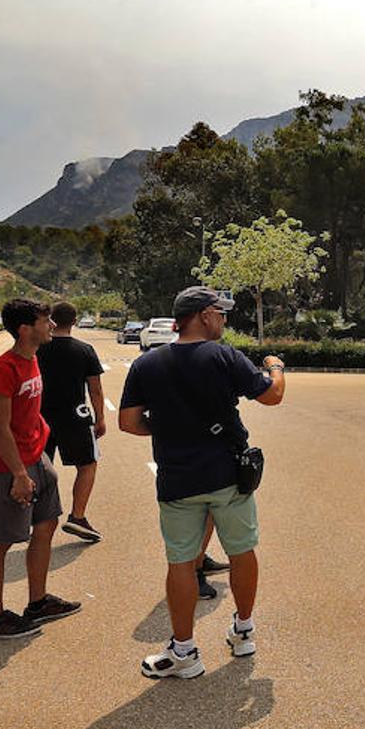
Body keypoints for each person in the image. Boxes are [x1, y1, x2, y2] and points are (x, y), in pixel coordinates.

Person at [119, 286, 285, 679]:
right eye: (221, 314)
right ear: (206, 315)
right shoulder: (225, 356)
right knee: (242, 552)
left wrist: (172, 432)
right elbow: (272, 396)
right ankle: (243, 633)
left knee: (181, 562)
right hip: (229, 476)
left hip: (177, 480)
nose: (224, 321)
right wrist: (275, 367)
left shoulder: (147, 364)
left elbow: (129, 422)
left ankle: (185, 653)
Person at [0, 298, 82, 639]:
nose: (51, 325)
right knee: (0, 543)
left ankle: (38, 603)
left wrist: (40, 454)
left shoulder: (32, 358)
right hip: (7, 469)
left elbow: (28, 413)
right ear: (25, 329)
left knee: (47, 525)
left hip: (37, 460)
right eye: (44, 320)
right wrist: (19, 474)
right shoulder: (3, 370)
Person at [37, 301, 107, 540]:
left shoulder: (36, 349)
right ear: (74, 321)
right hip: (75, 419)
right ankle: (77, 516)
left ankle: (38, 516)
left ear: (52, 321)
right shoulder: (84, 350)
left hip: (39, 419)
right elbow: (95, 389)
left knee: (40, 468)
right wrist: (100, 419)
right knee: (87, 465)